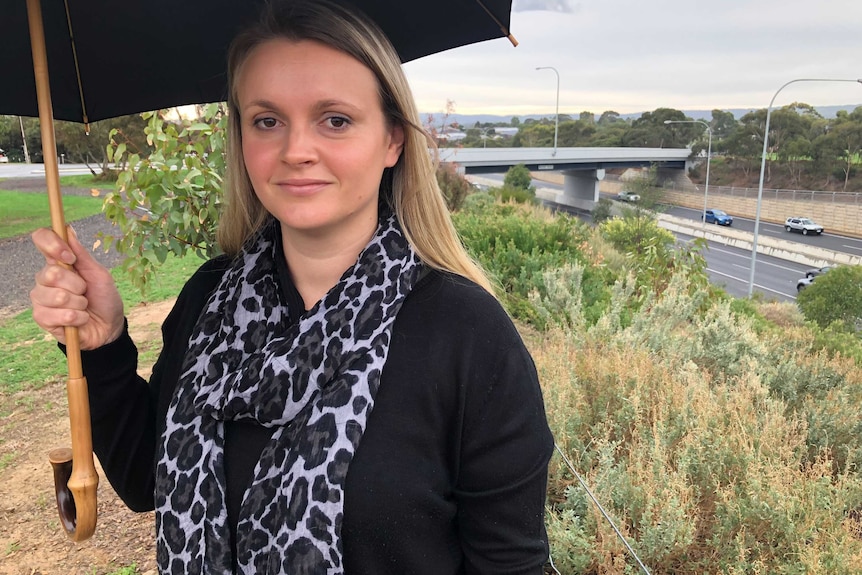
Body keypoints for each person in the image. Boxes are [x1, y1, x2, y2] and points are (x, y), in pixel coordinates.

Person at [30, 1, 554, 573]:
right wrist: (103, 346)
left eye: (335, 119)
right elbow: (143, 481)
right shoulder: (210, 298)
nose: (296, 151)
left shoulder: (467, 336)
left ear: (393, 141)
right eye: (267, 120)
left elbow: (511, 564)